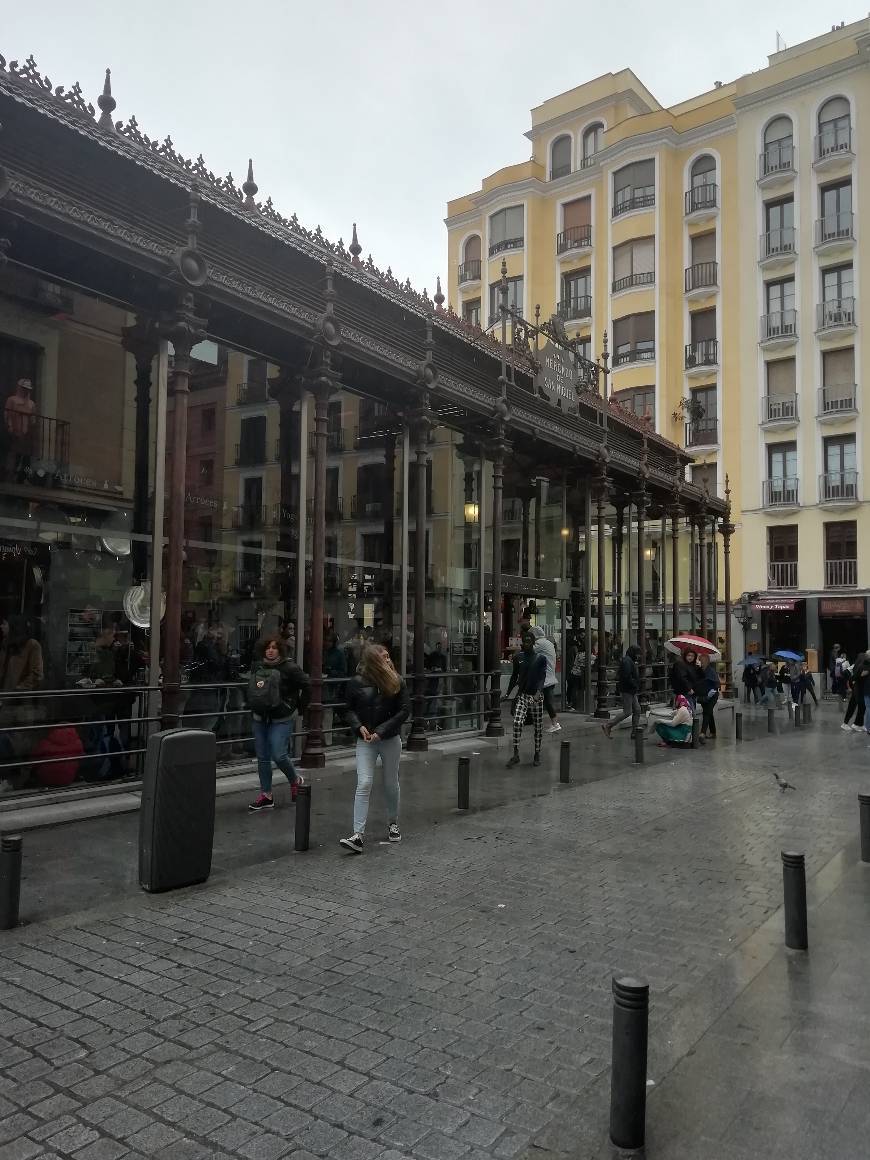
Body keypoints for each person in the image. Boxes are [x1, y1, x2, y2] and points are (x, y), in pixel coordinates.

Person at [339, 644, 409, 853]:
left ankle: (393, 822)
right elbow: (348, 709)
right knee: (364, 782)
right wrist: (358, 726)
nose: (388, 660)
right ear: (372, 661)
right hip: (366, 740)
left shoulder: (397, 680)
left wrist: (382, 730)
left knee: (390, 782)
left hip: (389, 739)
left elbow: (404, 711)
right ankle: (357, 834)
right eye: (383, 657)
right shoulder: (356, 682)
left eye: (388, 656)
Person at [246, 636, 310, 811]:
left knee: (279, 754)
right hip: (260, 717)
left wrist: (299, 709)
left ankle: (295, 780)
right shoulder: (257, 666)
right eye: (268, 647)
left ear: (280, 650)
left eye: (274, 647)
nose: (271, 650)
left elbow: (307, 685)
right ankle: (266, 795)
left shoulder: (290, 668)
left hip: (282, 717)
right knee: (262, 757)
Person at [506, 633, 547, 768]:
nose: (527, 643)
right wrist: (507, 694)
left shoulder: (541, 659)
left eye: (529, 641)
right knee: (517, 722)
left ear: (533, 642)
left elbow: (542, 678)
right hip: (522, 695)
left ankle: (537, 753)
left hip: (536, 697)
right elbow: (514, 677)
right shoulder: (518, 658)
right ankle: (516, 753)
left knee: (538, 726)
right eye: (525, 641)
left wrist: (538, 693)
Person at [602, 645, 641, 740]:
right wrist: (634, 684)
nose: (638, 656)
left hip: (630, 689)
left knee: (637, 709)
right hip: (628, 689)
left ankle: (635, 732)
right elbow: (626, 676)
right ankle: (608, 725)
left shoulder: (628, 660)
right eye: (637, 654)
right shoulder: (627, 661)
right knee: (627, 712)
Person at [529, 626, 560, 733]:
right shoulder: (548, 643)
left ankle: (555, 724)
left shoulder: (540, 644)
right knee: (546, 701)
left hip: (545, 678)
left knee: (546, 701)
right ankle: (552, 723)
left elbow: (528, 651)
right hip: (549, 677)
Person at [842, 652, 868, 731]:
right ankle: (855, 724)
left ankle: (858, 724)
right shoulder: (861, 667)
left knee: (856, 706)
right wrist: (851, 684)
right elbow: (853, 677)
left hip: (858, 688)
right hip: (858, 689)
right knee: (859, 706)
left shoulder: (857, 666)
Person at [700, 657, 720, 739]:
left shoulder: (711, 671)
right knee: (709, 713)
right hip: (704, 695)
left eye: (704, 661)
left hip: (712, 695)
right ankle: (713, 732)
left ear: (708, 661)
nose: (702, 662)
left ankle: (703, 732)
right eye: (701, 660)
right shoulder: (700, 670)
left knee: (706, 712)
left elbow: (717, 684)